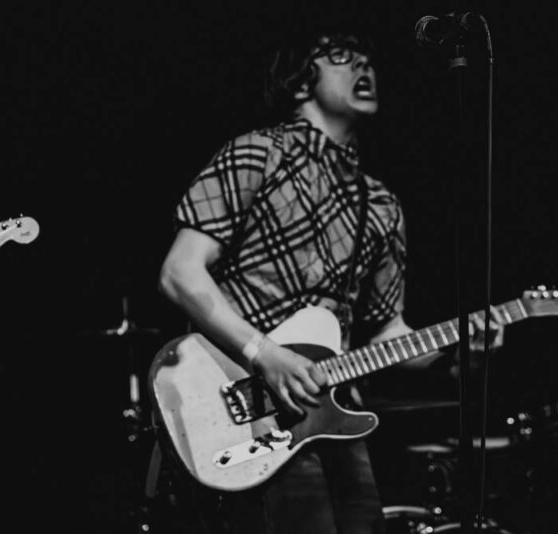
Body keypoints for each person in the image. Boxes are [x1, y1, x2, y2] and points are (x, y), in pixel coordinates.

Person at [157, 18, 504, 534]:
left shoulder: (381, 204)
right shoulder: (256, 154)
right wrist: (264, 354)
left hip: (333, 415)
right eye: (340, 55)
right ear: (300, 82)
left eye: (366, 58)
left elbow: (386, 332)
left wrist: (457, 352)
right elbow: (180, 272)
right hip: (247, 408)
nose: (363, 64)